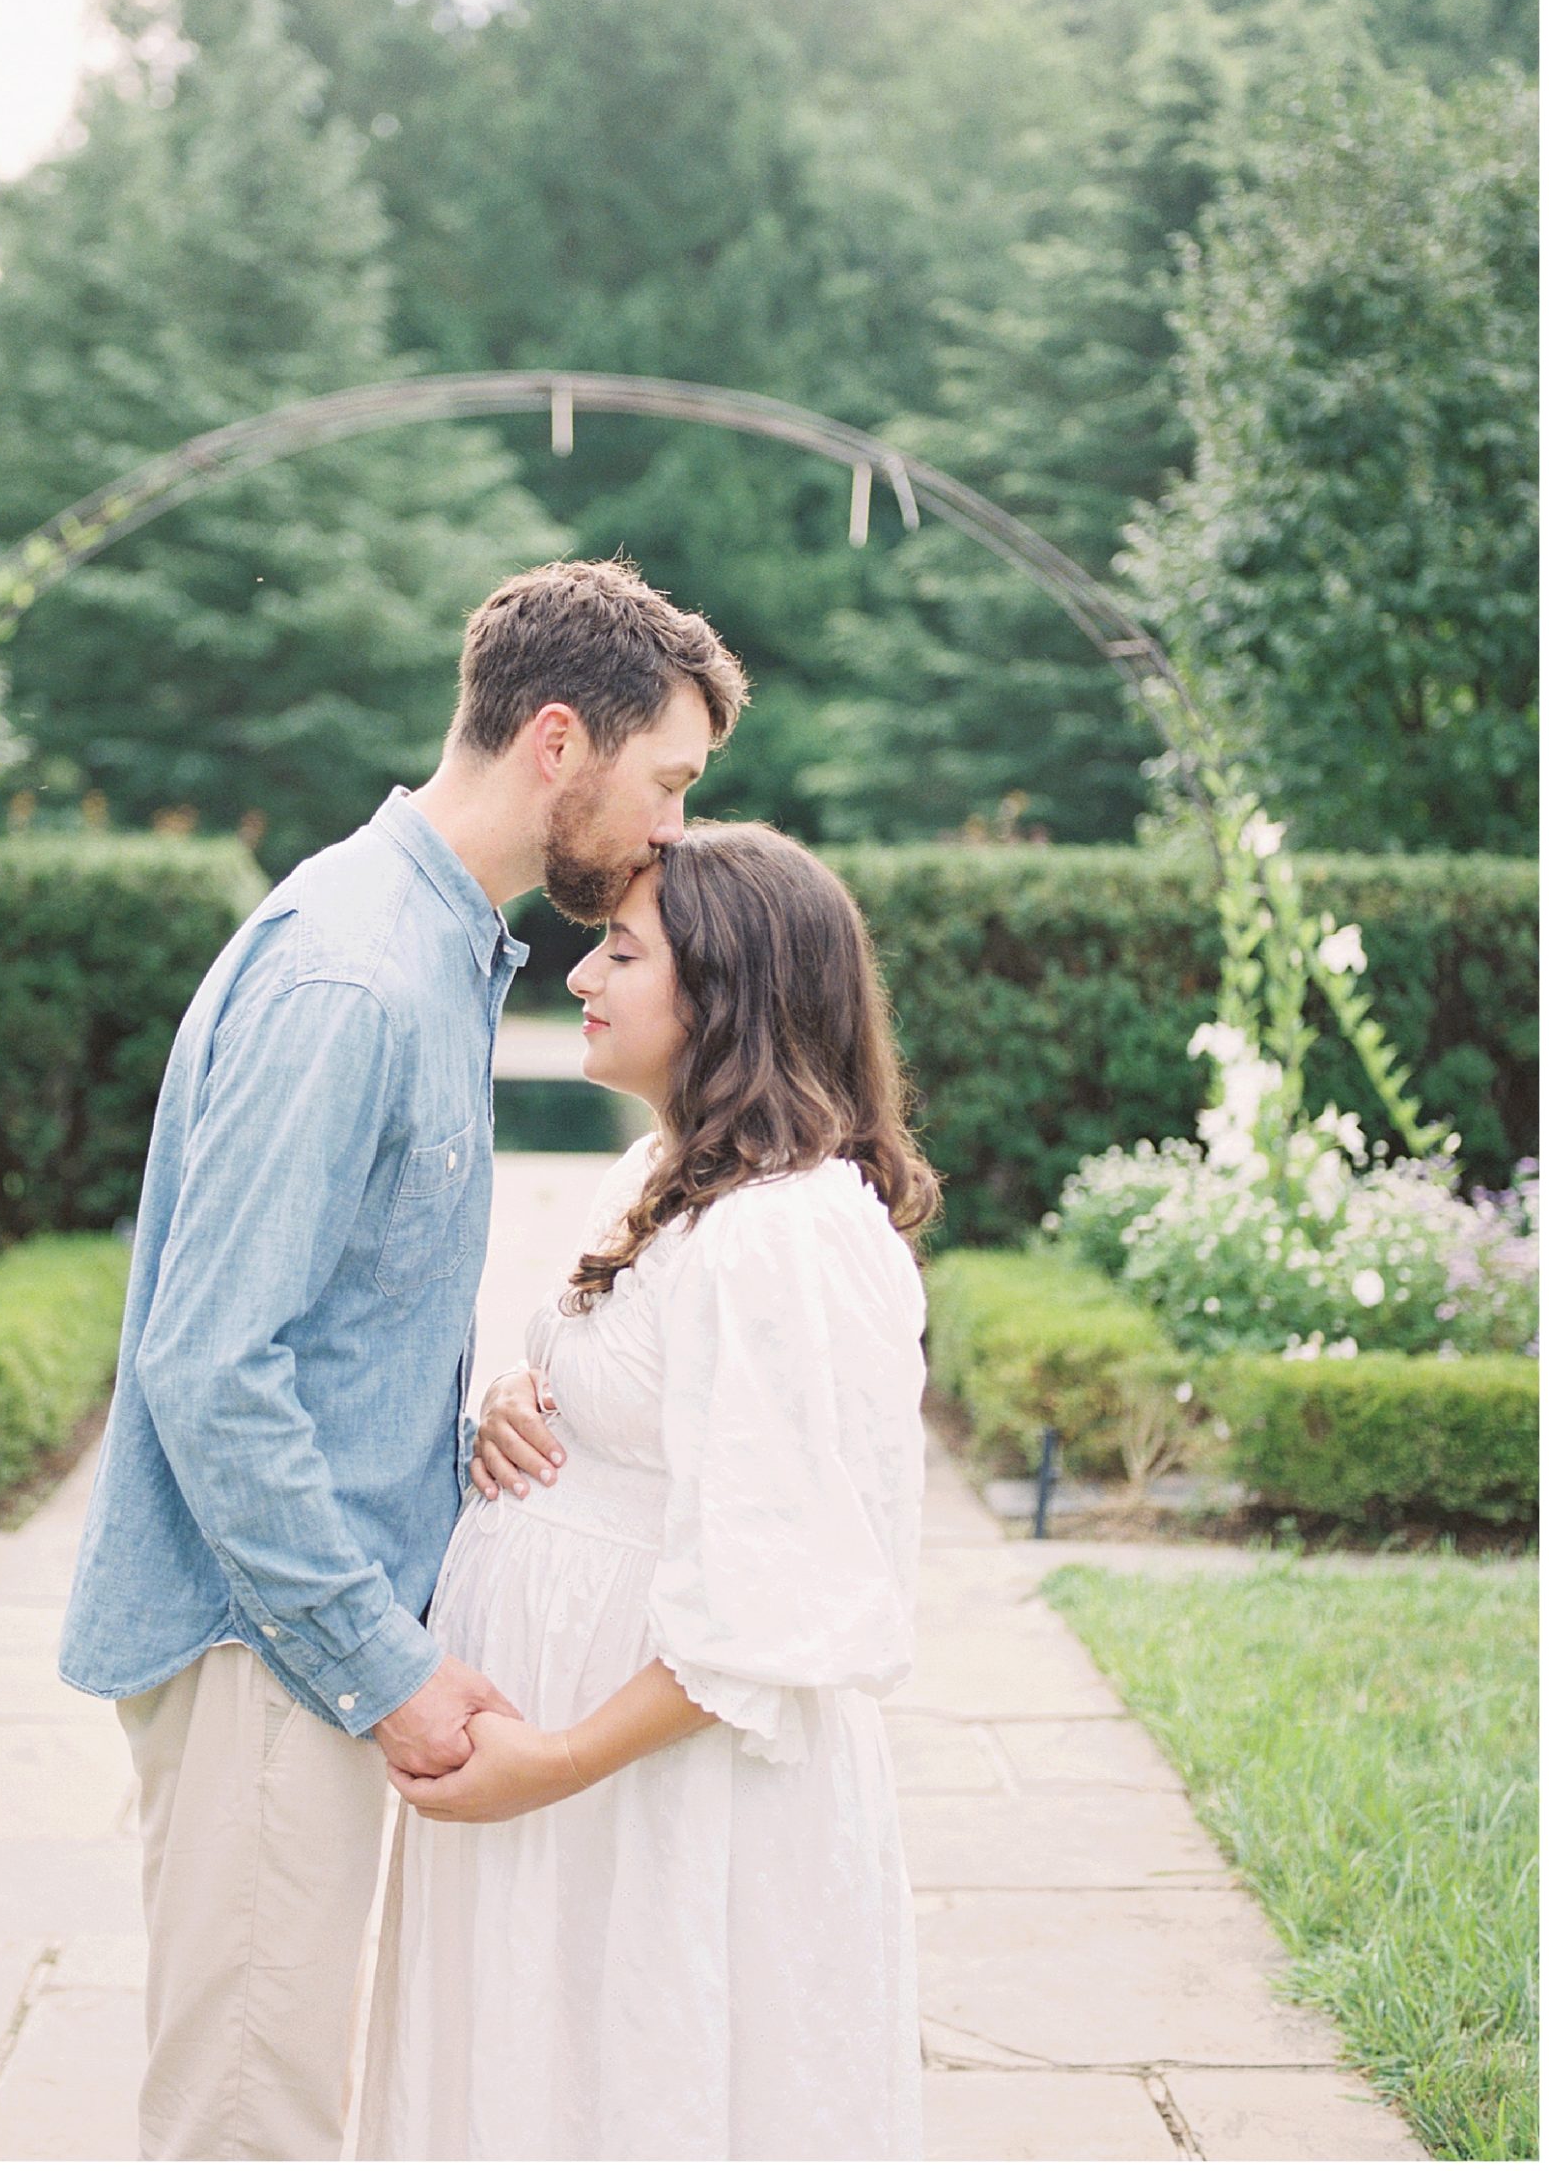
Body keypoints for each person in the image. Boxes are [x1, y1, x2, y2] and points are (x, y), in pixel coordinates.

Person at [58, 556, 749, 2161]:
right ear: (560, 742)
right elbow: (214, 1364)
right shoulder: (356, 972)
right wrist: (388, 1661)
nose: (672, 833)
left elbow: (323, 1321)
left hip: (294, 1636)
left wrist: (461, 1432)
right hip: (268, 1646)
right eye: (670, 782)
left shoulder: (430, 942)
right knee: (251, 2121)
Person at [354, 820, 938, 2162]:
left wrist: (551, 1765)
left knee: (650, 2093)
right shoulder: (669, 1175)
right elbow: (647, 1415)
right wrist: (516, 1404)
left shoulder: (787, 1232)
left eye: (622, 950)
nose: (580, 978)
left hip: (657, 1792)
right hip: (565, 1788)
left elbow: (783, 1590)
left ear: (727, 991)